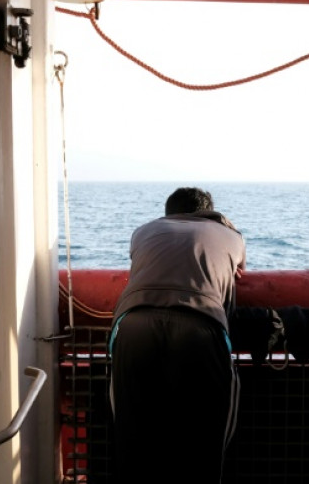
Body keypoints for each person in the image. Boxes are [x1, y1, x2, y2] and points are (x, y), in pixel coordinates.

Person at [108, 187, 246, 484]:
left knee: (133, 439)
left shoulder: (143, 231)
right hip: (200, 325)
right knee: (204, 444)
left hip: (133, 324)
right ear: (211, 213)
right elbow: (238, 272)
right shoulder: (232, 237)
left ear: (169, 212)